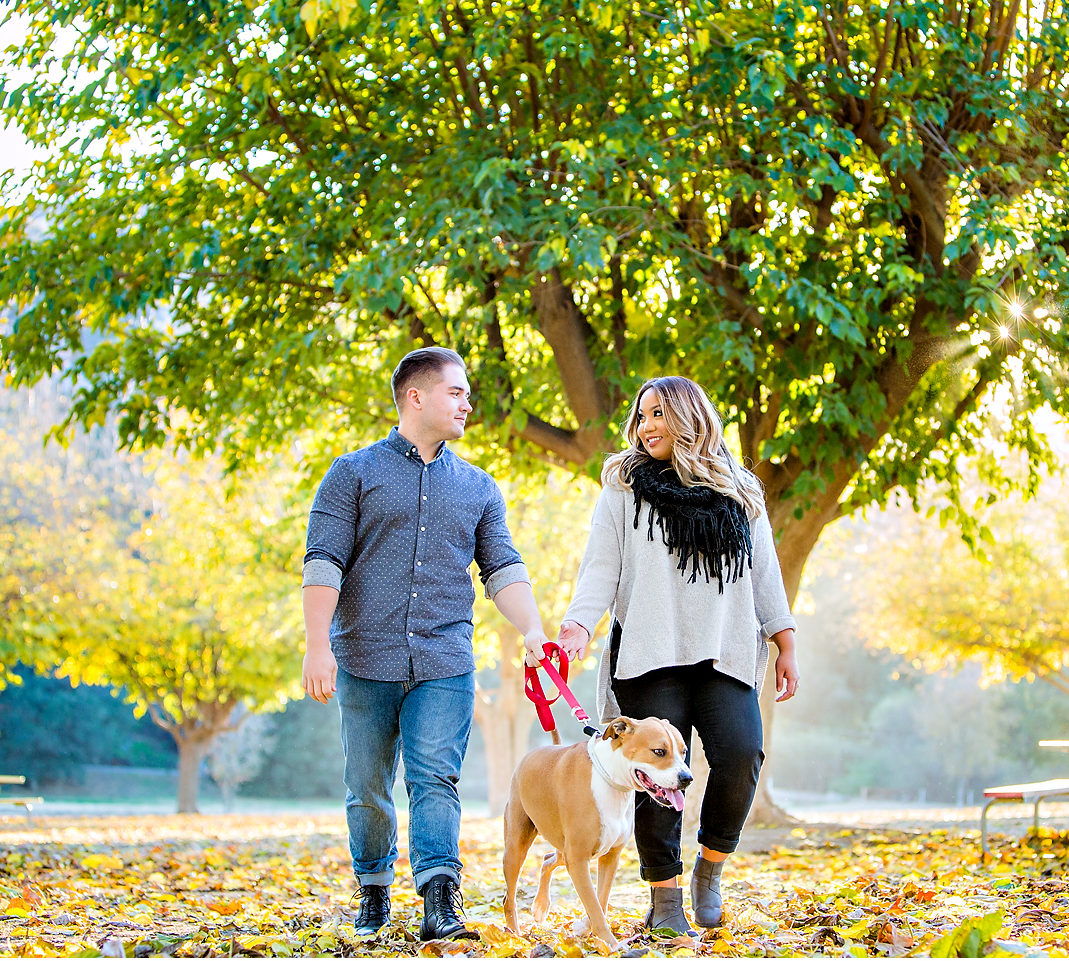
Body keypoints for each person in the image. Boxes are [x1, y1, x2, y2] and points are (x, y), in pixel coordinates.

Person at [301, 346, 550, 940]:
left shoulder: (479, 487)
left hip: (444, 659)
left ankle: (441, 899)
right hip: (364, 657)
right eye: (457, 392)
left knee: (435, 777)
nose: (469, 403)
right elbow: (323, 561)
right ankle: (374, 892)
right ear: (417, 397)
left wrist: (534, 628)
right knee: (367, 784)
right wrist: (318, 645)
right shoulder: (352, 473)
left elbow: (503, 568)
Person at [558, 375, 800, 934]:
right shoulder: (624, 482)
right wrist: (577, 626)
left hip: (726, 651)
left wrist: (784, 639)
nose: (647, 427)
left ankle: (709, 870)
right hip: (648, 651)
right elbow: (601, 563)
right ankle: (664, 898)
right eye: (641, 417)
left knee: (742, 756)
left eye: (659, 414)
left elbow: (765, 571)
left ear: (693, 416)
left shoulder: (741, 488)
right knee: (651, 775)